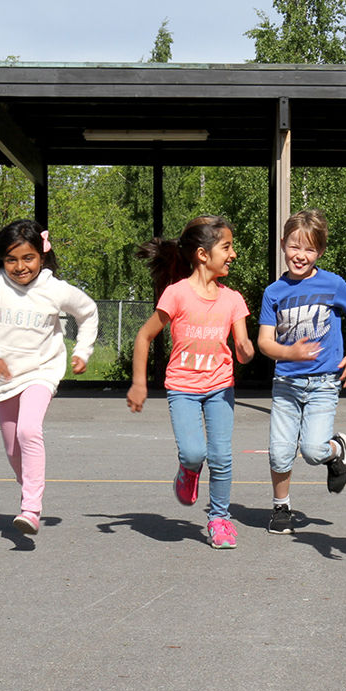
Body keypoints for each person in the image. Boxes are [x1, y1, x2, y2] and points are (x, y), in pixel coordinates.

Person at [126, 215, 255, 549]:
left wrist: (245, 349)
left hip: (220, 387)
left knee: (222, 456)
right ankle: (187, 470)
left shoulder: (233, 299)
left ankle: (220, 519)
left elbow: (242, 350)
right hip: (182, 387)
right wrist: (139, 383)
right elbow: (144, 336)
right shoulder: (177, 294)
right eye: (227, 247)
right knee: (194, 452)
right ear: (202, 254)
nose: (233, 254)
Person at [0, 219, 98, 536]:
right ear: (2, 261)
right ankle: (30, 487)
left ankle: (31, 509)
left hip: (42, 371)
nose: (20, 267)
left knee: (29, 430)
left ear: (41, 256)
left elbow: (88, 312)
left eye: (28, 258)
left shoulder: (54, 289)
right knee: (14, 451)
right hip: (6, 377)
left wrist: (83, 351)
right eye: (11, 260)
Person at [257, 209, 346, 535]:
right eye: (294, 246)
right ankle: (281, 507)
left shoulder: (332, 284)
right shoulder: (274, 292)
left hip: (323, 383)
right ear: (283, 245)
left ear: (319, 251)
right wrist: (288, 352)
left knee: (313, 450)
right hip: (287, 384)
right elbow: (265, 342)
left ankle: (337, 450)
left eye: (308, 249)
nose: (300, 255)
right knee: (279, 452)